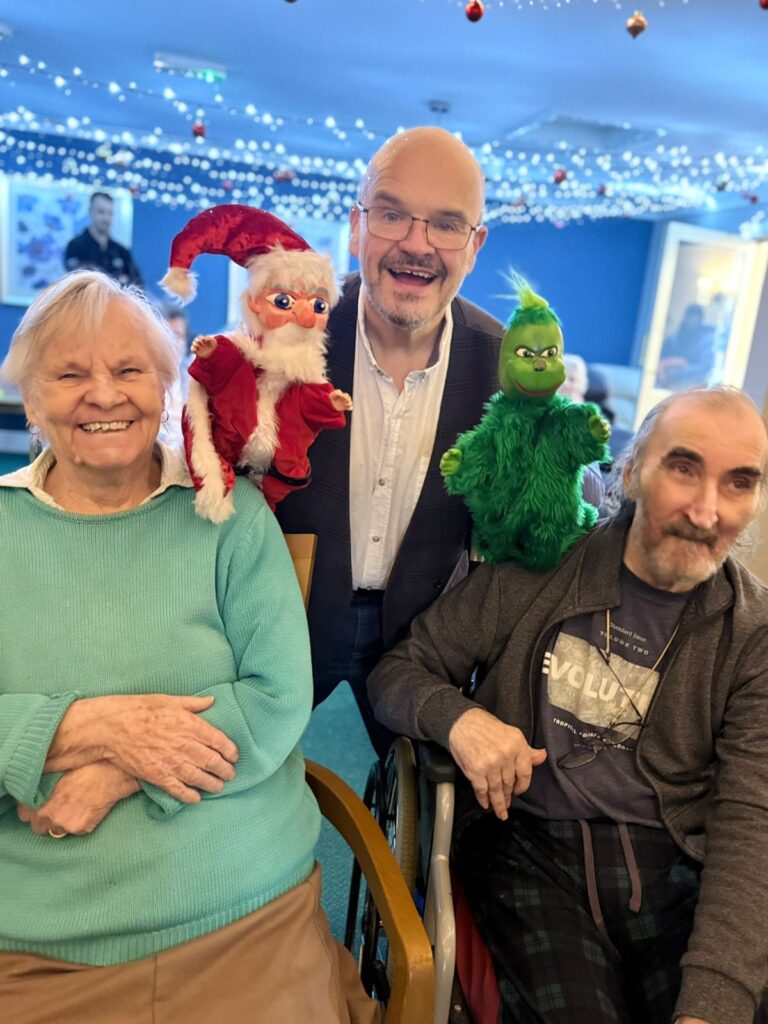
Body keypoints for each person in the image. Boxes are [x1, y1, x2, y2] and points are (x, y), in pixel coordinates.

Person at [0, 270, 377, 1024]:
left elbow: (275, 701)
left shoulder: (227, 515)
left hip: (243, 910)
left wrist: (118, 770)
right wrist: (75, 729)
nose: (104, 395)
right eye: (71, 374)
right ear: (32, 401)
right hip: (41, 941)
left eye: (130, 370)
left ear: (169, 386)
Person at [368, 386, 768, 1024]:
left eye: (739, 483)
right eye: (683, 468)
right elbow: (398, 673)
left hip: (670, 859)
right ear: (633, 471)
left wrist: (712, 1007)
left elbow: (754, 823)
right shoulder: (538, 567)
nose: (706, 511)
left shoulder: (753, 635)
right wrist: (462, 720)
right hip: (527, 844)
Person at [276, 126, 604, 756]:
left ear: (475, 245)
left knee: (434, 826)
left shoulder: (511, 369)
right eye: (393, 214)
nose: (417, 245)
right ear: (356, 226)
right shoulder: (289, 336)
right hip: (282, 619)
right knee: (229, 782)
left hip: (423, 638)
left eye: (447, 224)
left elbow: (572, 495)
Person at [64, 192, 143, 287]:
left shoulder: (122, 252)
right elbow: (78, 281)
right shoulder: (75, 247)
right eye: (101, 212)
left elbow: (137, 284)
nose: (106, 218)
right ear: (90, 212)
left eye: (110, 213)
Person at [656, 303, 716, 390]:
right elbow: (659, 361)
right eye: (690, 316)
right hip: (667, 387)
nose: (692, 320)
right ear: (685, 318)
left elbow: (704, 368)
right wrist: (665, 368)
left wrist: (681, 370)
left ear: (700, 320)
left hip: (692, 388)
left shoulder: (705, 343)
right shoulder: (673, 339)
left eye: (695, 317)